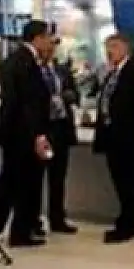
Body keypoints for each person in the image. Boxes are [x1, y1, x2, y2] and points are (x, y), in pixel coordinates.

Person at [0, 20, 56, 248]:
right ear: (37, 38)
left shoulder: (13, 61)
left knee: (8, 180)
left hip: (13, 133)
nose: (50, 42)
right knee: (26, 182)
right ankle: (20, 232)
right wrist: (38, 135)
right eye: (47, 37)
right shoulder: (26, 64)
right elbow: (28, 103)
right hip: (24, 134)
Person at [93, 33, 134, 244]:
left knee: (130, 184)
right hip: (112, 139)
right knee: (120, 183)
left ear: (126, 49)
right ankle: (125, 219)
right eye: (107, 47)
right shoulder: (111, 75)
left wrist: (130, 129)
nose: (109, 51)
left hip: (130, 140)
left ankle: (129, 224)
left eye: (114, 46)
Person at [41, 51, 80, 235]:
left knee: (58, 177)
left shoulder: (62, 71)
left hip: (61, 128)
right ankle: (33, 219)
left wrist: (69, 95)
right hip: (43, 128)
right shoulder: (34, 71)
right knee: (36, 178)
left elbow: (75, 95)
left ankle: (57, 218)